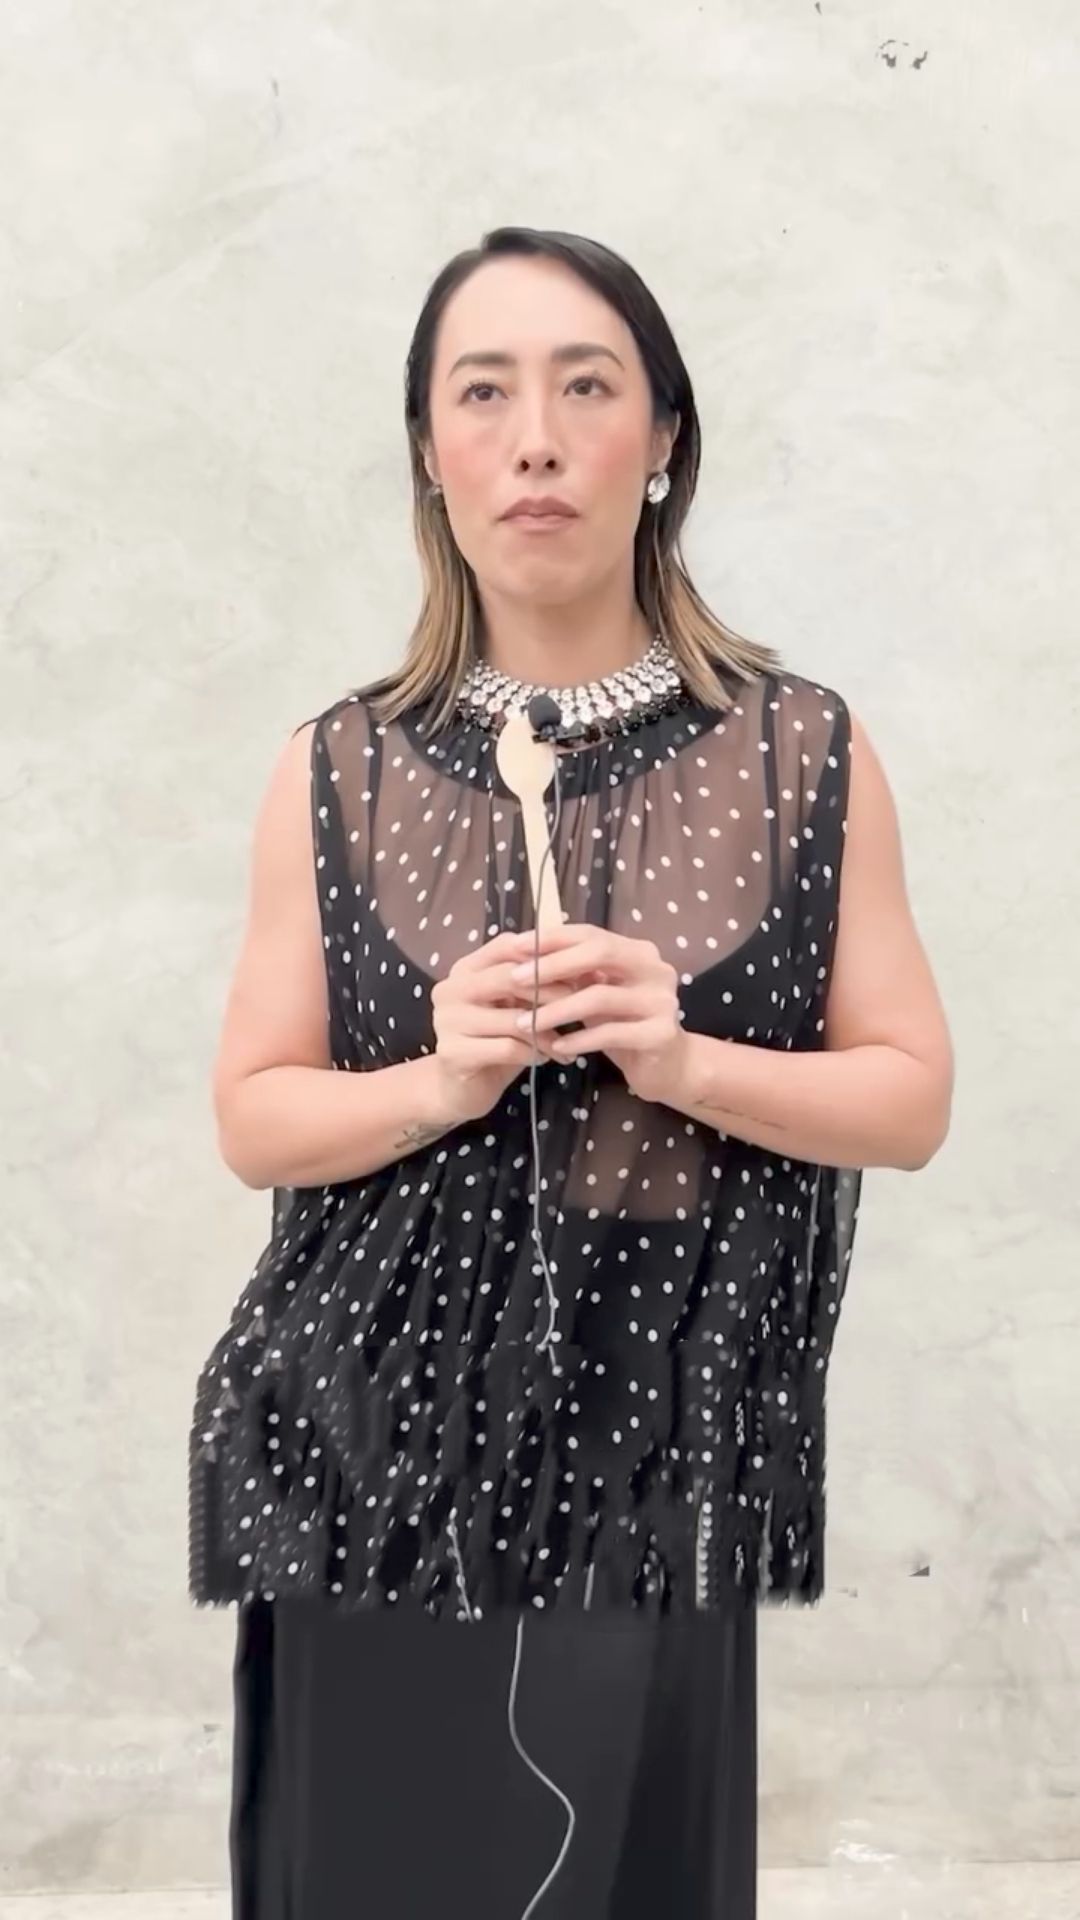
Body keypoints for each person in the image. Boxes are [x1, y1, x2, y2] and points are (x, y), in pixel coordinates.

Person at [189, 226, 954, 1920]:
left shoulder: (802, 749)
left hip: (658, 1461)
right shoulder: (335, 766)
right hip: (364, 1461)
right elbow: (255, 1116)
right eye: (484, 393)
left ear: (662, 437)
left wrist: (681, 1059)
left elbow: (908, 1096)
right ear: (431, 453)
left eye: (587, 387)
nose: (534, 438)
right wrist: (438, 1081)